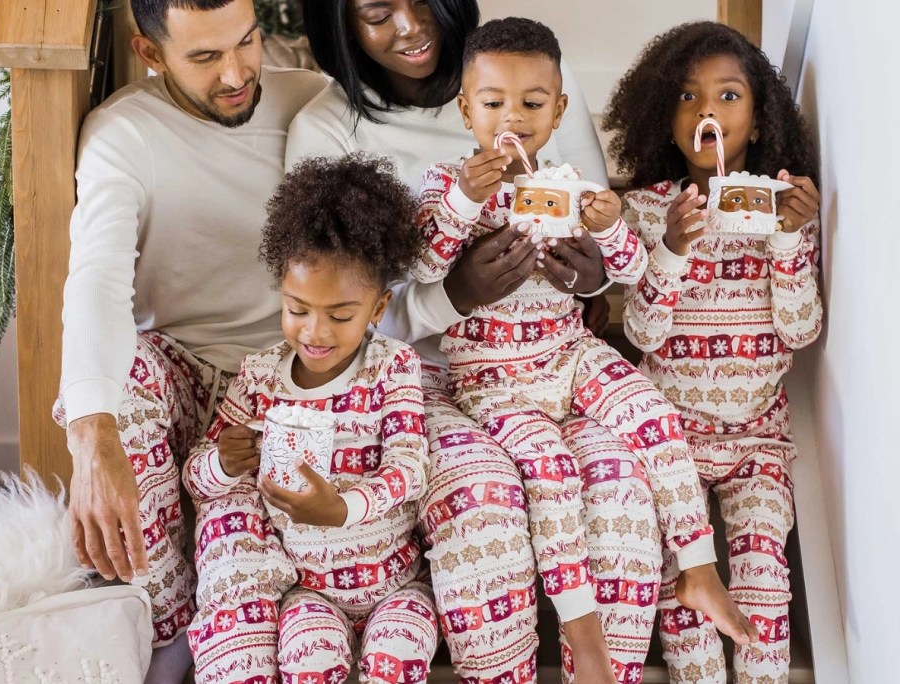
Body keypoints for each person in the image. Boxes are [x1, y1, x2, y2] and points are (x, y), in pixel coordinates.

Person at [286, 2, 659, 682]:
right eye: (376, 10)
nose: (410, 23)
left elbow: (595, 227)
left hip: (546, 362)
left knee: (619, 487)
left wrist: (592, 276)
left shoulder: (527, 76)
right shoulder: (325, 129)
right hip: (417, 377)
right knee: (481, 502)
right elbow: (339, 318)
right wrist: (456, 294)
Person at [411, 18, 755, 683]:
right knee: (553, 472)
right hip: (492, 379)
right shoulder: (445, 186)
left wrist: (611, 229)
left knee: (654, 415)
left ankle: (699, 569)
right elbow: (424, 265)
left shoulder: (569, 183)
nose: (512, 117)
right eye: (493, 103)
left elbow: (627, 272)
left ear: (560, 108)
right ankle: (580, 626)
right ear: (464, 107)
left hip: (568, 353)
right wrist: (463, 198)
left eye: (533, 104)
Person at [53, 1, 327, 680]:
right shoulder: (125, 133)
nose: (236, 73)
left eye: (247, 43)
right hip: (188, 370)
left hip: (298, 373)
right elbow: (97, 279)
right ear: (150, 54)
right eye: (204, 58)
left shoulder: (310, 103)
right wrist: (92, 437)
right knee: (122, 385)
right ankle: (166, 633)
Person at [603, 21, 823, 683]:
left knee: (763, 581)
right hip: (672, 444)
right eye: (687, 97)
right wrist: (671, 247)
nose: (706, 111)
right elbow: (640, 334)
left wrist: (790, 240)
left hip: (759, 441)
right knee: (684, 595)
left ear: (758, 120)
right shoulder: (644, 211)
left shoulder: (777, 210)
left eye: (728, 96)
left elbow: (801, 331)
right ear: (662, 118)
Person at [182, 154, 437, 683]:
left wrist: (341, 509)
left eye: (340, 315)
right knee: (310, 663)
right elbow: (197, 478)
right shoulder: (259, 377)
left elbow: (411, 470)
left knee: (397, 663)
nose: (315, 332)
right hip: (309, 591)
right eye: (298, 309)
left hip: (398, 586)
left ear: (376, 307)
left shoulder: (392, 367)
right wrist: (226, 464)